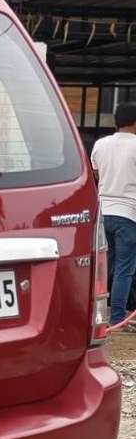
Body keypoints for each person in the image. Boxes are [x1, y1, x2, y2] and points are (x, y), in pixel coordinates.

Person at [92, 101, 136, 329]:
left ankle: (99, 314)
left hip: (103, 213)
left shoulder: (100, 145)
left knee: (103, 267)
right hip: (128, 214)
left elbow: (96, 174)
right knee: (124, 269)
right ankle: (118, 317)